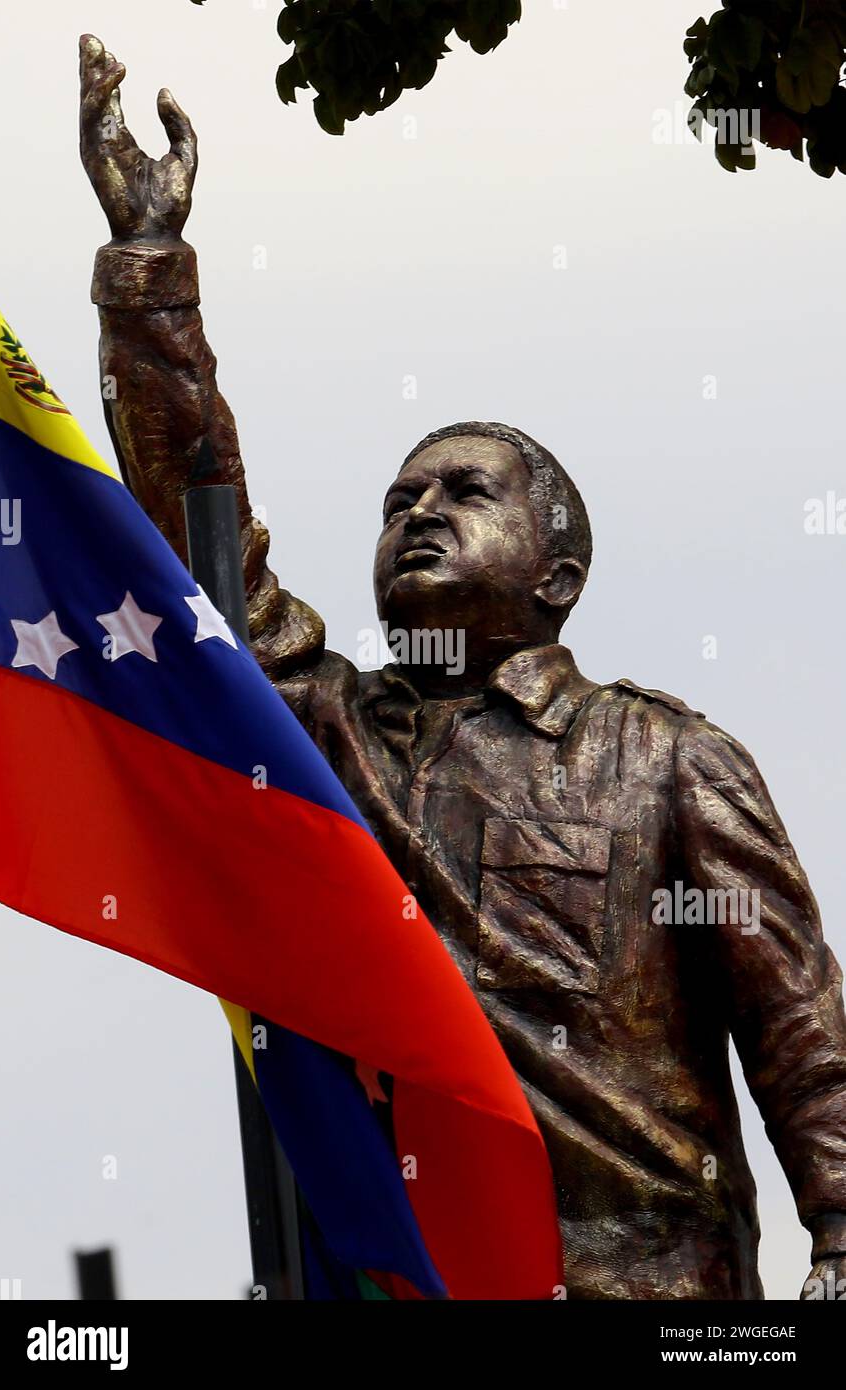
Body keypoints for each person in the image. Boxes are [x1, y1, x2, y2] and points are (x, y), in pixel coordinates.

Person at [78, 34, 846, 1300]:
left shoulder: (663, 757)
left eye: (464, 491)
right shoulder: (333, 730)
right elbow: (195, 536)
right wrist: (149, 274)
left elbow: (799, 1027)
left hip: (643, 1290)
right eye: (398, 498)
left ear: (557, 573)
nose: (417, 513)